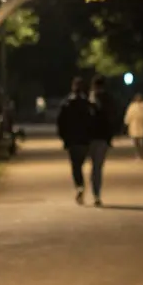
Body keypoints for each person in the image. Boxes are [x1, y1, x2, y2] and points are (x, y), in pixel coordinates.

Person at [55, 77, 95, 205]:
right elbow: (92, 121)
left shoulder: (67, 103)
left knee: (75, 165)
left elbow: (61, 122)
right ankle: (81, 186)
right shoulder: (87, 104)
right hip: (84, 138)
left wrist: (63, 136)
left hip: (72, 139)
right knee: (80, 162)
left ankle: (79, 185)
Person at [87, 76, 116, 207]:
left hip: (92, 137)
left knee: (95, 167)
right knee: (97, 167)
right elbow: (113, 119)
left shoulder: (88, 100)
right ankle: (95, 193)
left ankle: (94, 192)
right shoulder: (108, 100)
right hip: (101, 137)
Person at [124, 93, 143, 160]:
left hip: (141, 125)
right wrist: (127, 122)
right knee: (135, 140)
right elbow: (128, 114)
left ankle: (141, 153)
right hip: (133, 125)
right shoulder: (132, 106)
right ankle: (138, 154)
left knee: (142, 140)